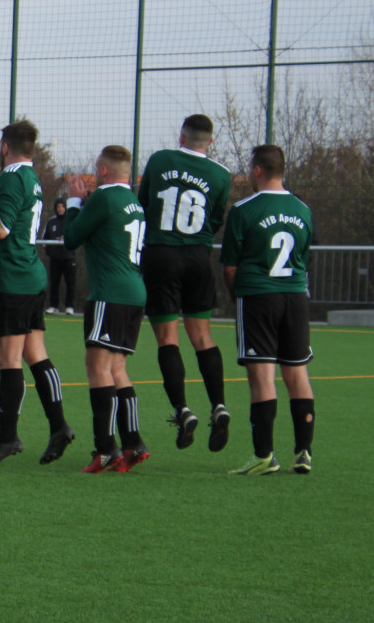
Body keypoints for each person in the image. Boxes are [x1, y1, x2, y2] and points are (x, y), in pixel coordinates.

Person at [0, 120, 76, 468]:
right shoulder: (30, 177)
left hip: (13, 280)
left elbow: (0, 227)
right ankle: (59, 426)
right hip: (29, 275)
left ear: (5, 148)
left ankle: (8, 438)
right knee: (36, 355)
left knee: (9, 360)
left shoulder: (13, 178)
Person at [137, 114, 234, 452]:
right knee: (203, 337)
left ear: (182, 136)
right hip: (198, 258)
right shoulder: (221, 175)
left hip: (162, 255)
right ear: (210, 141)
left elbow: (144, 203)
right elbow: (216, 218)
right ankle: (219, 405)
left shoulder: (160, 159)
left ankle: (183, 410)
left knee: (168, 339)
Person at [220, 144, 315, 475]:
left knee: (261, 375)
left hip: (258, 297)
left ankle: (264, 456)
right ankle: (304, 453)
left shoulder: (243, 210)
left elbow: (229, 267)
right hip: (296, 298)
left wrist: (237, 296)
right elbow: (304, 257)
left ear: (257, 170)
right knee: (297, 373)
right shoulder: (303, 209)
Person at [64, 145, 151, 473]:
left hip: (109, 293)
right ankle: (133, 443)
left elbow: (71, 237)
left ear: (102, 170)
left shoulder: (103, 197)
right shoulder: (133, 202)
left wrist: (74, 202)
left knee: (97, 367)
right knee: (117, 368)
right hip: (134, 292)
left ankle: (105, 448)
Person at [41, 198, 76, 315]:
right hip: (55, 259)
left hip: (69, 258)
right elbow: (44, 239)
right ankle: (53, 306)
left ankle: (69, 306)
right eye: (58, 207)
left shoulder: (71, 221)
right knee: (54, 283)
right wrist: (50, 251)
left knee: (70, 283)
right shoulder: (51, 222)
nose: (60, 209)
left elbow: (77, 236)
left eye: (62, 207)